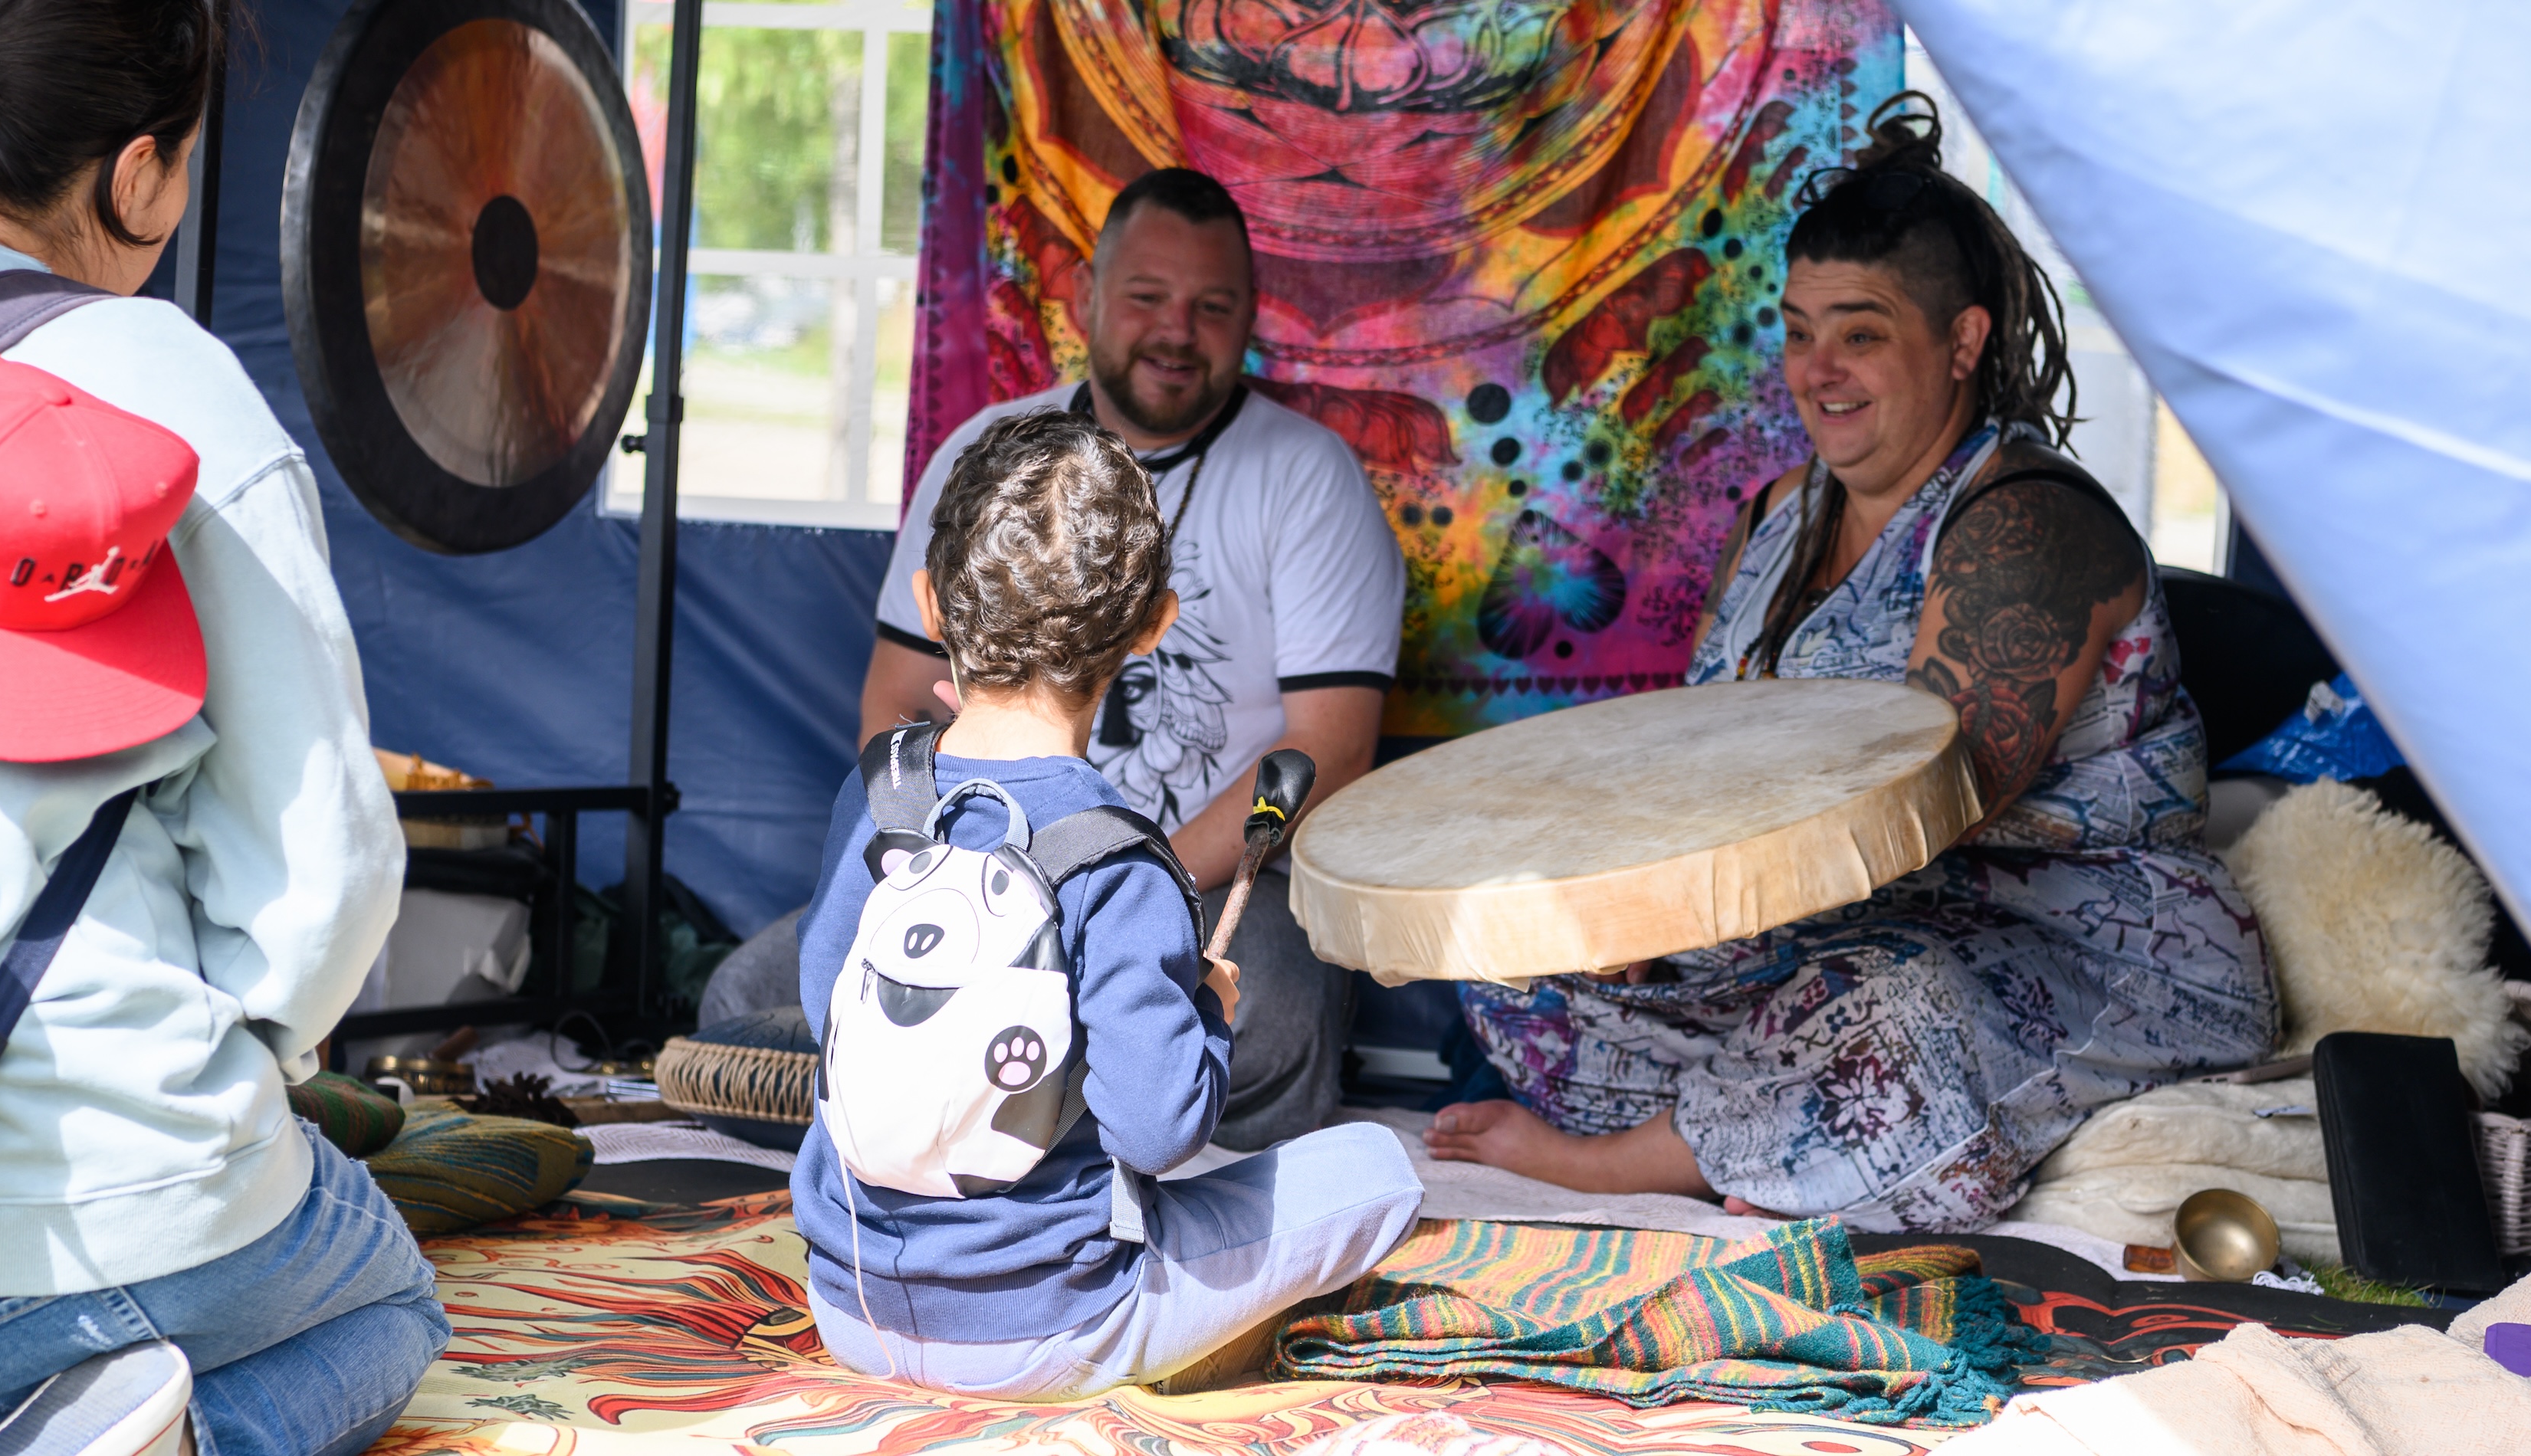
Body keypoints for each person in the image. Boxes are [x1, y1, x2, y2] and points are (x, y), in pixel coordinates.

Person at [1424, 97, 2275, 1231]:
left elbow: (1913, 810)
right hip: (1834, 931)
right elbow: (1699, 746)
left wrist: (1693, 917)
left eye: (1862, 332)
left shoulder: (2027, 523)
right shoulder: (1780, 516)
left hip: (2075, 945)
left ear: (1962, 343)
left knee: (1884, 1005)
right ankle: (1761, 1133)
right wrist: (1636, 917)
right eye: (1797, 329)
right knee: (1520, 968)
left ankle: (1640, 1159)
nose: (1818, 369)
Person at [0, 1, 439, 1453]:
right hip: (69, 1222)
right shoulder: (149, 381)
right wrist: (258, 1071)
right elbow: (316, 879)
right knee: (390, 1302)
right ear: (136, 173)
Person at [705, 167, 1406, 1149]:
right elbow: (896, 702)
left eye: (1213, 308)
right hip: (976, 872)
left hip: (1194, 881)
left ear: (1253, 317)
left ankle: (992, 1108)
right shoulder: (987, 454)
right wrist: (972, 870)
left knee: (1270, 1019)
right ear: (1086, 297)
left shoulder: (1305, 475)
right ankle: (1077, 1104)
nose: (1176, 331)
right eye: (1148, 298)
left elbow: (1327, 748)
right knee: (742, 998)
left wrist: (1125, 884)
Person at [791, 409, 1420, 1399]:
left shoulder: (879, 791)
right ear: (1155, 625)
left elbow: (828, 1000)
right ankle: (1186, 1341)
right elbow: (1158, 1131)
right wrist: (1204, 1012)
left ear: (932, 604)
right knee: (1382, 1171)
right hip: (1053, 1326)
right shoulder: (1122, 859)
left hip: (852, 1308)